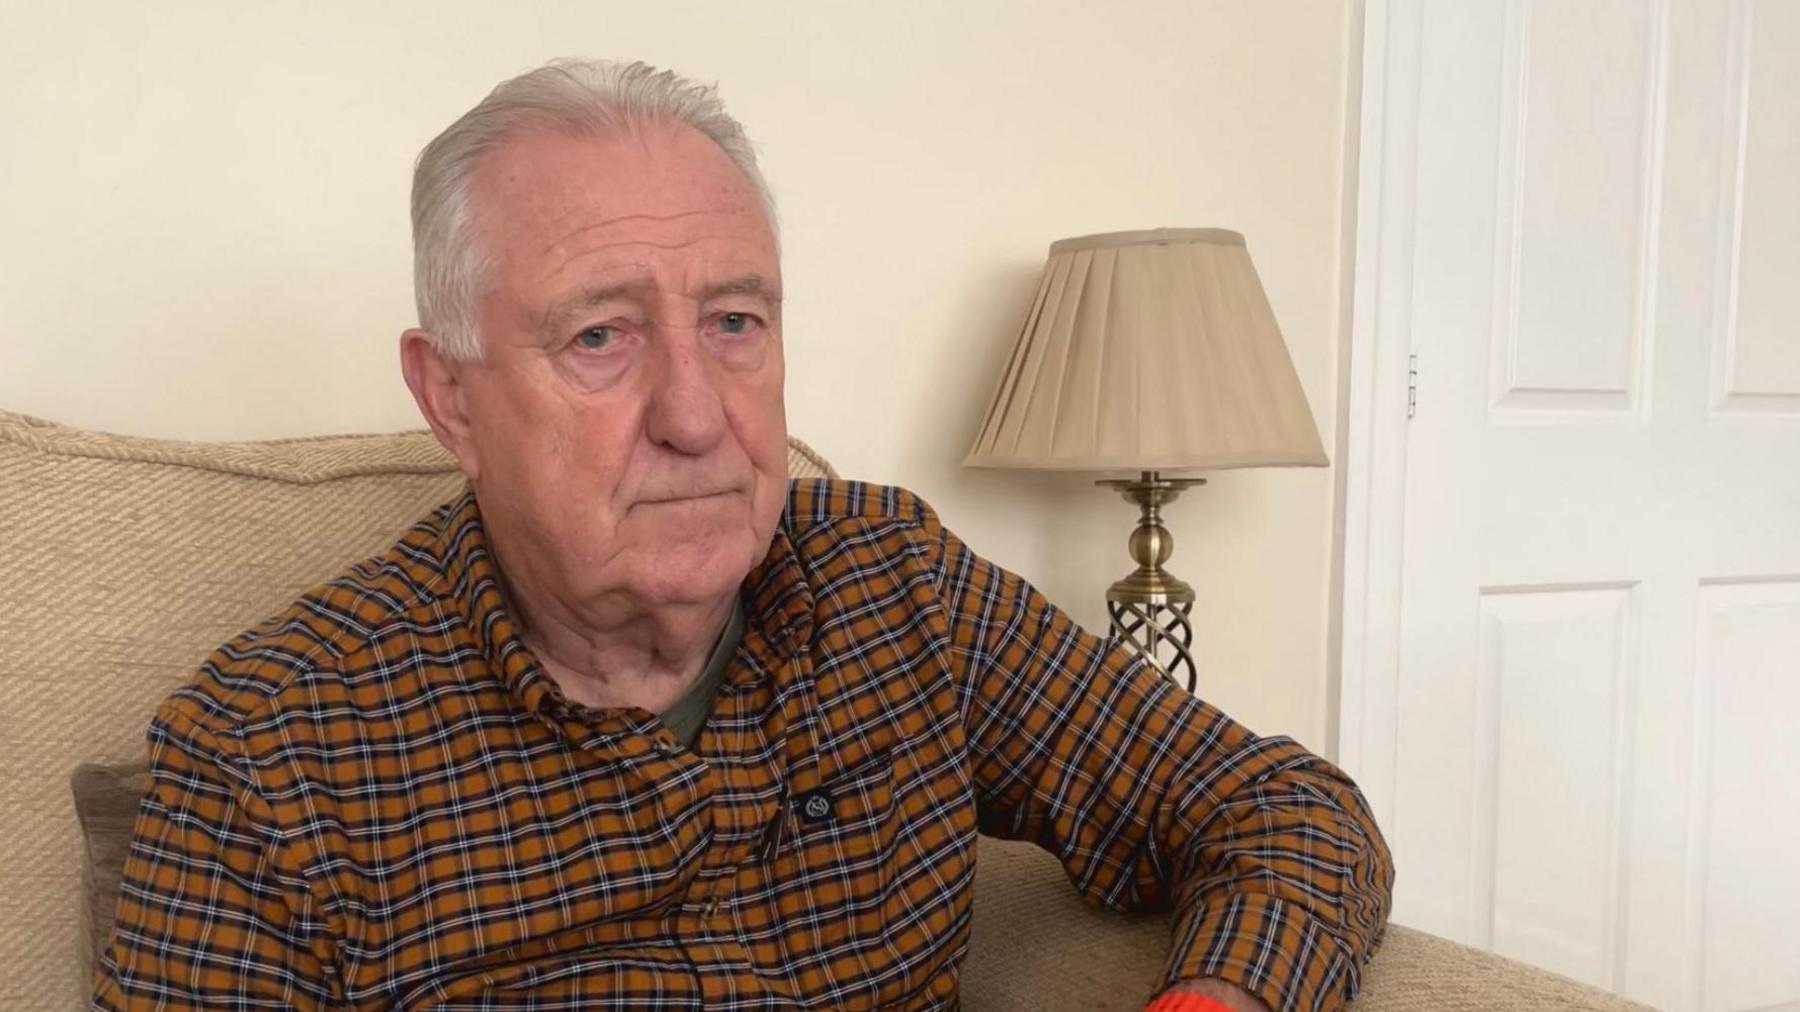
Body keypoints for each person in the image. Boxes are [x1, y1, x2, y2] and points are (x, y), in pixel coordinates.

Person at [94, 59, 1391, 1011]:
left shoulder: (897, 589)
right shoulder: (269, 755)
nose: (697, 415)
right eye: (600, 335)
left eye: (735, 321)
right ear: (453, 396)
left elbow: (1283, 808)